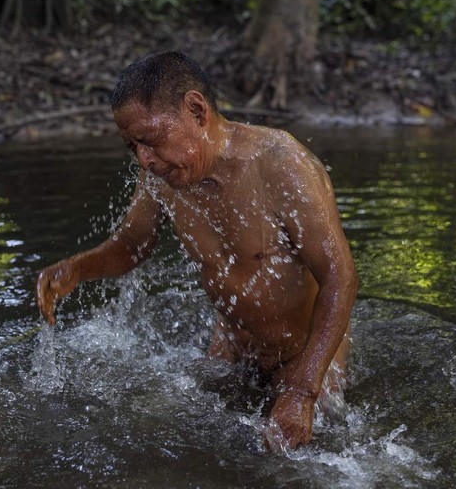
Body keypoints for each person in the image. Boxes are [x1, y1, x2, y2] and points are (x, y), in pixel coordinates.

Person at [35, 51, 358, 451]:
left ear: (196, 109)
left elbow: (339, 276)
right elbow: (132, 245)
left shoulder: (281, 163)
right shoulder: (162, 177)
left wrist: (304, 390)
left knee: (313, 459)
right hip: (232, 350)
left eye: (150, 141)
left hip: (305, 356)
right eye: (132, 146)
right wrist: (78, 269)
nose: (144, 159)